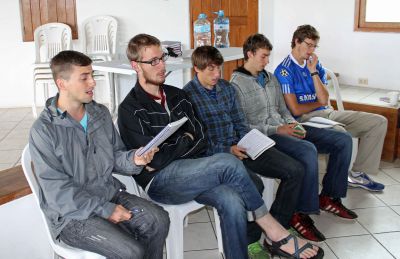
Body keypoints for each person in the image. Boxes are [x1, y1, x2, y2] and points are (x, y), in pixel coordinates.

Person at [118, 33, 324, 259]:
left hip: (196, 168)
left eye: (162, 58)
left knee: (233, 200)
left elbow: (201, 138)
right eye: (153, 61)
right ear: (136, 66)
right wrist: (185, 139)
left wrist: (175, 144)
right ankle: (275, 232)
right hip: (161, 181)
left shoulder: (178, 96)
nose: (161, 66)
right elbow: (153, 161)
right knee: (227, 161)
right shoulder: (130, 108)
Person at [29, 50, 170, 259]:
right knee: (131, 251)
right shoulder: (44, 131)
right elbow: (58, 193)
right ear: (62, 83)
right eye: (84, 77)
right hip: (71, 216)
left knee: (158, 220)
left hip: (107, 194)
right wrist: (106, 210)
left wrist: (135, 159)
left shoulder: (99, 114)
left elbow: (115, 156)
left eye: (92, 75)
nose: (93, 83)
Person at [230, 34, 359, 242]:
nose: (267, 61)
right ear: (249, 54)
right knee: (307, 149)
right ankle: (301, 212)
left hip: (287, 127)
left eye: (268, 57)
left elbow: (283, 108)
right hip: (268, 135)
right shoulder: (236, 85)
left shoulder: (270, 78)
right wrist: (278, 128)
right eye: (263, 57)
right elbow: (243, 125)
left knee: (341, 141)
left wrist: (293, 123)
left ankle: (328, 197)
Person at [183, 45, 307, 251]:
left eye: (219, 69)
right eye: (210, 69)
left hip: (243, 146)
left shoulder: (226, 88)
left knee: (295, 170)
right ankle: (250, 240)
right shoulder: (187, 96)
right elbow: (198, 143)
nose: (216, 75)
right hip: (219, 155)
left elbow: (240, 122)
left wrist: (252, 142)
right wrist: (228, 149)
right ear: (197, 68)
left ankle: (276, 230)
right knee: (254, 185)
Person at [274, 24, 387, 192]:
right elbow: (296, 110)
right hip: (304, 119)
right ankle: (334, 186)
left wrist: (313, 72)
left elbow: (325, 98)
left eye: (314, 46)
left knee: (378, 122)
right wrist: (319, 103)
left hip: (326, 113)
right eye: (309, 45)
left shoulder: (315, 65)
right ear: (297, 41)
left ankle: (356, 174)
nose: (311, 50)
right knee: (340, 135)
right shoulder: (284, 70)